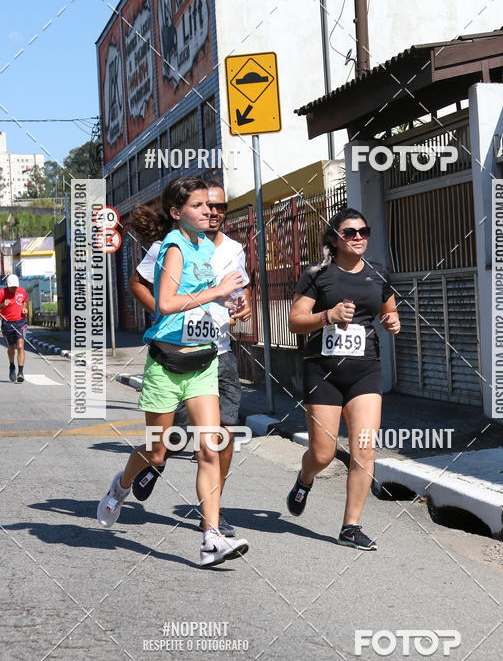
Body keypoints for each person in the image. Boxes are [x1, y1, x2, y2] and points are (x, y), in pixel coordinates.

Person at [97, 175, 249, 568]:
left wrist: (230, 302)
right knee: (156, 449)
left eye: (211, 206)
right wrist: (214, 293)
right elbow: (164, 301)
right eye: (199, 206)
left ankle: (210, 539)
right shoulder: (175, 246)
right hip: (167, 365)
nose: (209, 212)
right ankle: (121, 486)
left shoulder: (202, 245)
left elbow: (217, 295)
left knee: (210, 447)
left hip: (203, 360)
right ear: (176, 212)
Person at [286, 208, 401, 550]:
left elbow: (389, 309)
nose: (359, 238)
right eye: (350, 232)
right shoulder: (317, 275)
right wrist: (328, 316)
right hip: (322, 369)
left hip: (365, 369)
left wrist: (393, 321)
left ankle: (350, 527)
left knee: (364, 449)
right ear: (334, 238)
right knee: (322, 454)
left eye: (364, 232)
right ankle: (305, 478)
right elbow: (294, 320)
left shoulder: (378, 273)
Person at [0, 274, 29, 383]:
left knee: (21, 345)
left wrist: (24, 309)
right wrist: (3, 304)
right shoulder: (2, 293)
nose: (14, 289)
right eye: (12, 287)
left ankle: (20, 372)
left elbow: (24, 302)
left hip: (21, 322)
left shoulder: (22, 291)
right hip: (7, 323)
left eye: (15, 287)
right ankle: (12, 366)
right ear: (7, 285)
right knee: (11, 347)